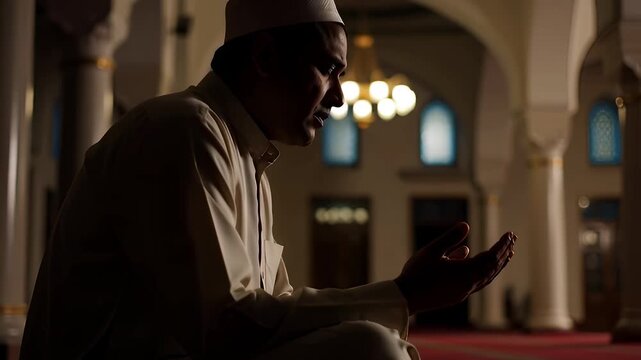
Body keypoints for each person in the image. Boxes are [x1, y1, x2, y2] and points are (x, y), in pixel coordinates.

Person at [20, 0, 516, 359]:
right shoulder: (186, 129)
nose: (340, 99)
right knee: (369, 348)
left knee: (379, 342)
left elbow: (270, 311)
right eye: (327, 69)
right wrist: (403, 295)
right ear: (264, 59)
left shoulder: (249, 160)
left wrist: (400, 298)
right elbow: (227, 326)